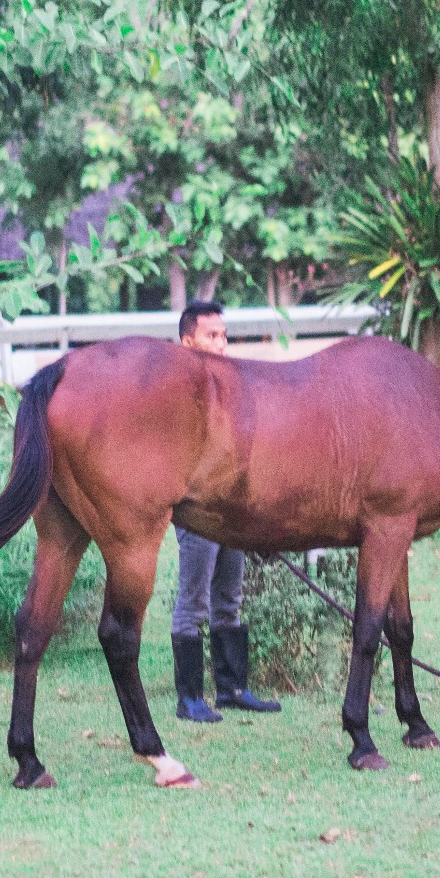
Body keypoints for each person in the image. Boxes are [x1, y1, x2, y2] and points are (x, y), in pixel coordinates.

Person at [171, 300, 281, 721]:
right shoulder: (178, 391)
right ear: (188, 341)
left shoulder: (227, 385)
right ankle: (190, 698)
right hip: (197, 510)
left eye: (224, 335)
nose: (221, 344)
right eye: (211, 336)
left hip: (230, 510)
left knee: (229, 599)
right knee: (193, 602)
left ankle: (233, 688)